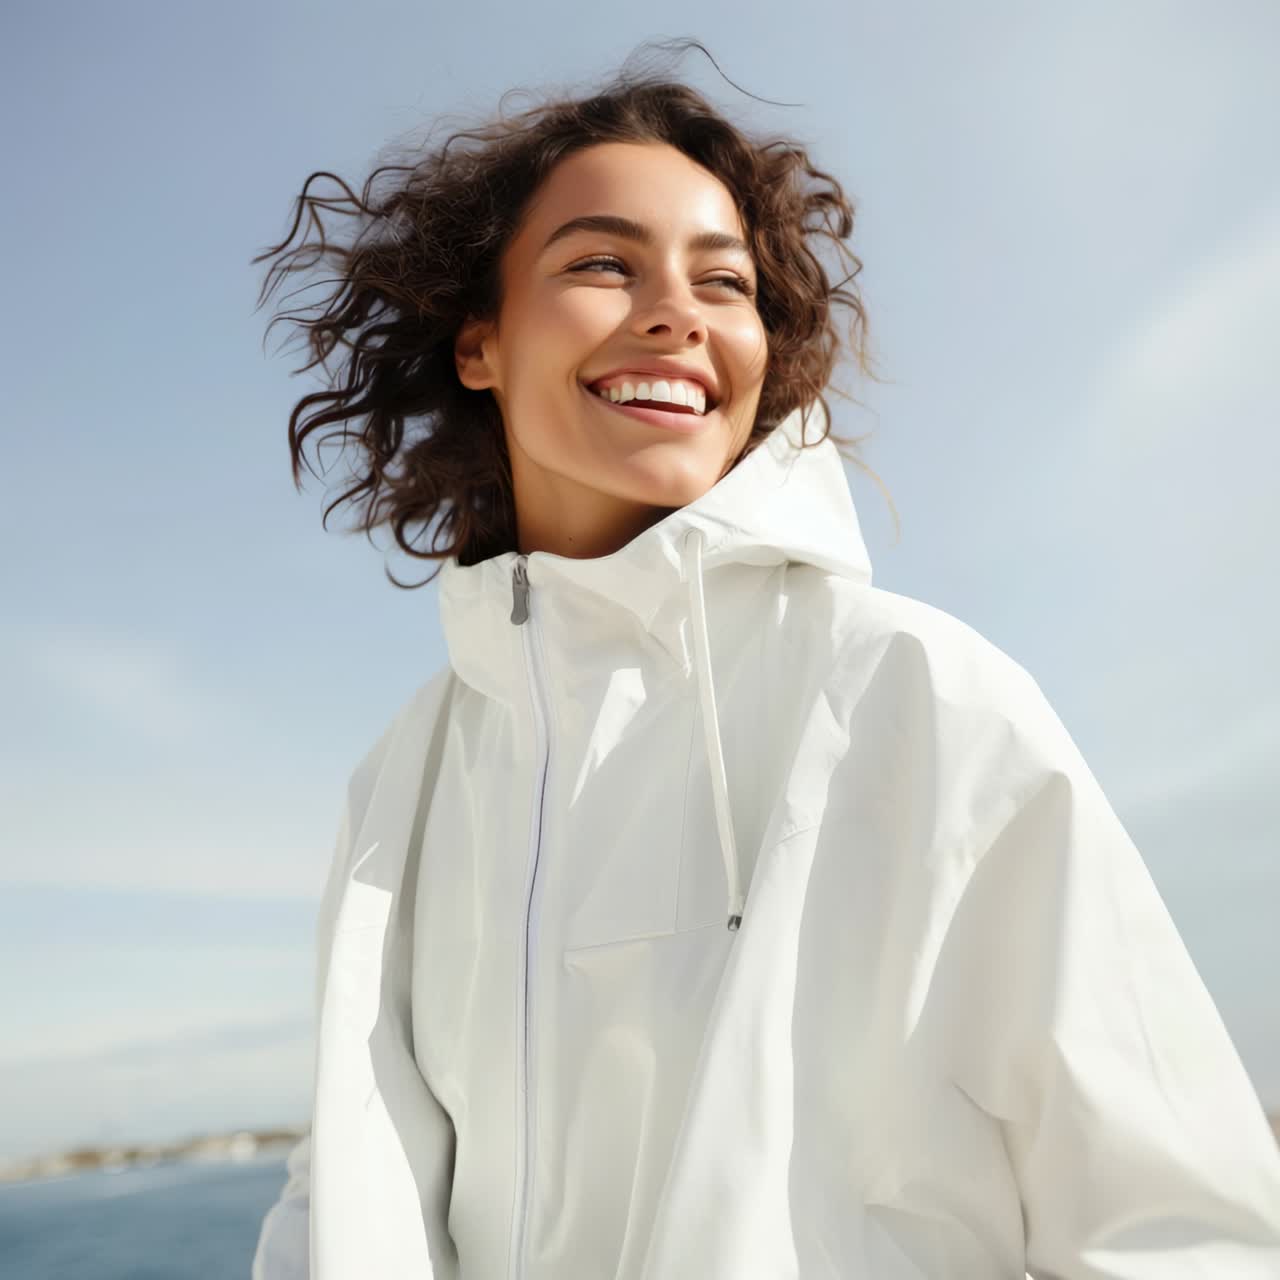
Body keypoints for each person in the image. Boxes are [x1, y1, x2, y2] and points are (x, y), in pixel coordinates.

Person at [249, 43, 1280, 1280]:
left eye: (722, 280)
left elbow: (1175, 1226)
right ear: (478, 342)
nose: (675, 311)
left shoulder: (917, 694)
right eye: (599, 263)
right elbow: (342, 1193)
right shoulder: (402, 784)